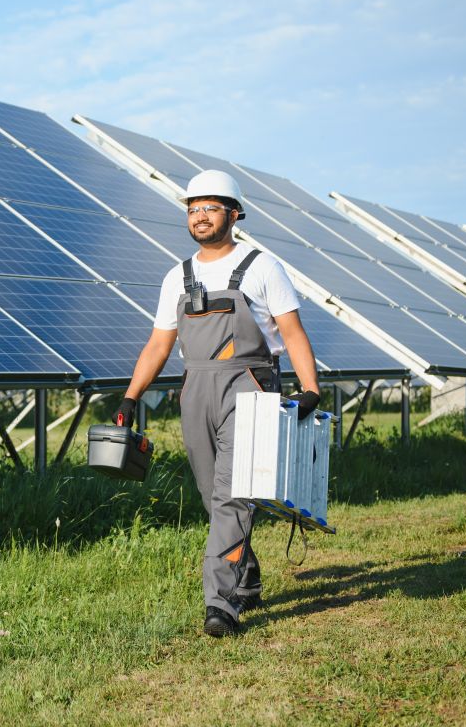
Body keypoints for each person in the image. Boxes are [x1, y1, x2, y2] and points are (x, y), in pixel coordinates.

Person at [115, 169, 321, 637]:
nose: (200, 217)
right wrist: (130, 397)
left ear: (234, 214)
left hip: (250, 386)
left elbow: (291, 333)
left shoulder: (264, 267)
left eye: (210, 208)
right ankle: (245, 575)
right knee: (213, 494)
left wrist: (310, 387)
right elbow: (158, 345)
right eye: (192, 209)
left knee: (233, 494)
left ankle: (221, 604)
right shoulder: (177, 276)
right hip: (196, 391)